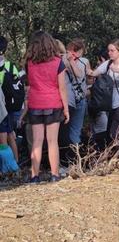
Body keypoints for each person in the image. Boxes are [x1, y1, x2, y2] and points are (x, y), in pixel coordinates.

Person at [23, 31, 70, 183]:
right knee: (52, 141)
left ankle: (34, 176)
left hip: (35, 103)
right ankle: (55, 175)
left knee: (37, 141)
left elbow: (29, 85)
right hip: (53, 103)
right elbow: (62, 88)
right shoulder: (58, 62)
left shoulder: (29, 63)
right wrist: (66, 109)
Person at [89, 39, 119, 142]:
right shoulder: (108, 64)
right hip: (112, 104)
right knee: (111, 135)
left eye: (112, 50)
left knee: (114, 134)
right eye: (109, 50)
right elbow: (94, 73)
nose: (109, 53)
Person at [63, 39, 91, 158]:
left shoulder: (64, 60)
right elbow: (87, 79)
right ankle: (76, 159)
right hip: (76, 99)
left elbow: (81, 76)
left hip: (70, 99)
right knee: (74, 130)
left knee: (68, 131)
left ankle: (69, 158)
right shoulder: (83, 61)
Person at [0, 36, 24, 163]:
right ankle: (15, 162)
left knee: (5, 136)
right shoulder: (10, 66)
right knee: (10, 135)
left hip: (2, 108)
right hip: (11, 106)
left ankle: (7, 166)